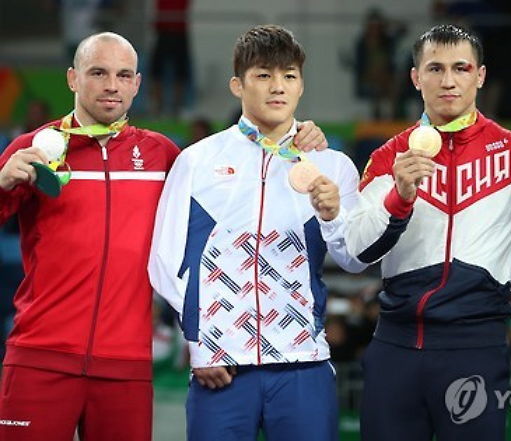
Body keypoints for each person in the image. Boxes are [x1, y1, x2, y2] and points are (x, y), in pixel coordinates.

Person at [0, 31, 328, 441]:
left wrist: (298, 134)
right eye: (98, 72)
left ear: (137, 84)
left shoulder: (163, 157)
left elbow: (233, 205)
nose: (111, 85)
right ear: (72, 78)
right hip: (39, 359)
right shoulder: (32, 150)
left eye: (123, 75)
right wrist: (1, 183)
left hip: (127, 366)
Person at [148, 24, 366, 441]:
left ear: (301, 85)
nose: (277, 87)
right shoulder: (197, 161)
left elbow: (354, 260)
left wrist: (334, 215)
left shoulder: (331, 163)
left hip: (303, 363)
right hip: (222, 369)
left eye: (289, 75)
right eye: (263, 75)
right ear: (237, 84)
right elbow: (164, 261)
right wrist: (200, 343)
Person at [345, 24, 511, 441]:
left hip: (475, 349)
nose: (448, 80)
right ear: (415, 78)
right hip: (396, 346)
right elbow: (357, 253)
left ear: (479, 76)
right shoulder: (389, 156)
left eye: (460, 68)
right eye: (435, 68)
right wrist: (399, 198)